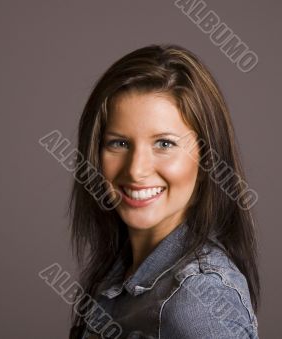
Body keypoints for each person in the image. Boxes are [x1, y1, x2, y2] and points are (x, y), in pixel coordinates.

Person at [67, 44, 260, 338]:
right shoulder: (123, 273)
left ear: (207, 159)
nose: (136, 170)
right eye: (119, 143)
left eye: (164, 144)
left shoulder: (197, 300)